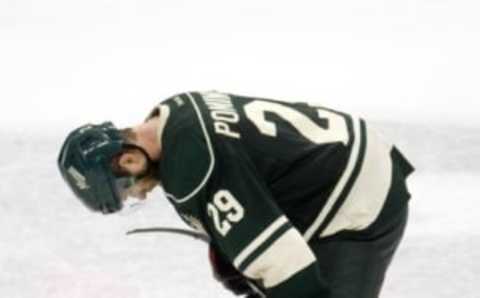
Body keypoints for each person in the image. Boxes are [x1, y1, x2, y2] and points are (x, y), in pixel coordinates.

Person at [58, 91, 414, 298]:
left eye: (128, 190)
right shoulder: (174, 111)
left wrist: (253, 259)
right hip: (345, 157)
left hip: (359, 196)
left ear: (131, 160)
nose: (139, 196)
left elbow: (285, 264)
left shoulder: (192, 167)